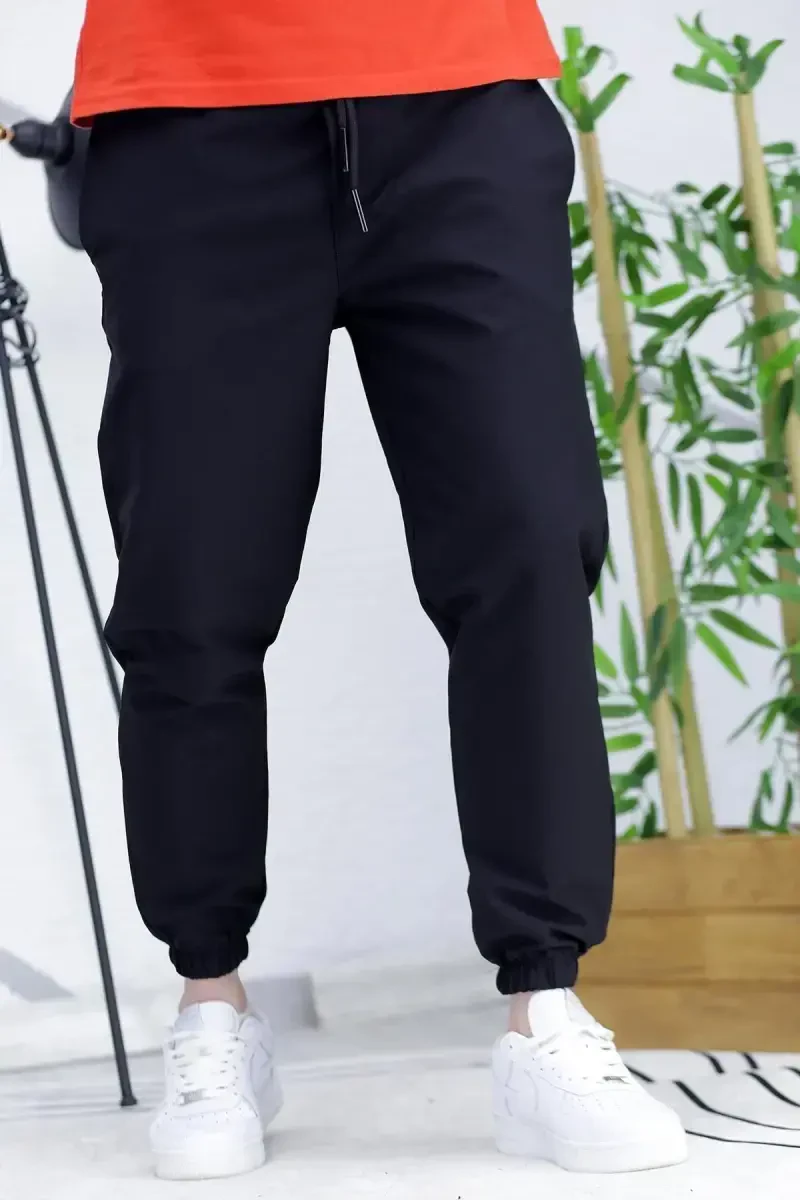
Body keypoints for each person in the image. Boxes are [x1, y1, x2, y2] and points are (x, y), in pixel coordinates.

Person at [72, 0, 687, 1181]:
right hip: (186, 118)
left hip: (458, 99)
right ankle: (212, 1004)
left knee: (526, 543)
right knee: (190, 581)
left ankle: (544, 1011)